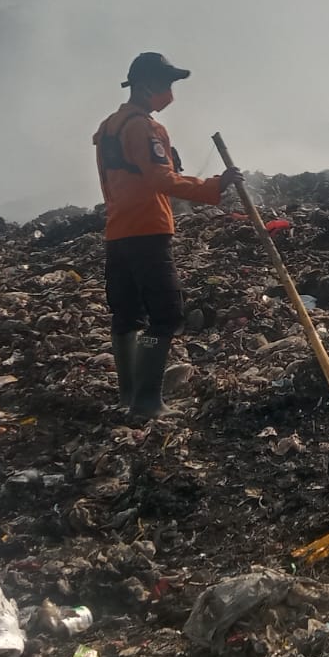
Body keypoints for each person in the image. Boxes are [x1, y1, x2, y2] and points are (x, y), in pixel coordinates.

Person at [93, 52, 242, 421]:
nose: (170, 93)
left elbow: (116, 182)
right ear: (146, 86)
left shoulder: (110, 127)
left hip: (118, 232)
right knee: (165, 316)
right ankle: (147, 401)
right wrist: (215, 186)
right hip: (147, 232)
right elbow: (162, 179)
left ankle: (128, 397)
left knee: (127, 315)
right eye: (167, 84)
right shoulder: (145, 128)